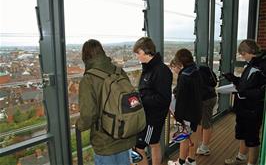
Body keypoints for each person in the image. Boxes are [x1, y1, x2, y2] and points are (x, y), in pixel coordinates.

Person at [76, 39, 136, 165]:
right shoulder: (119, 71)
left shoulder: (88, 79)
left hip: (105, 141)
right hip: (125, 134)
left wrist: (79, 125)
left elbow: (88, 114)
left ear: (85, 57)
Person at [223, 39, 266, 165]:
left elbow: (261, 92)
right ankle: (240, 158)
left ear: (249, 52)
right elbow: (245, 85)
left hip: (253, 108)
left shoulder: (261, 67)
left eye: (242, 54)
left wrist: (243, 93)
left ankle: (251, 163)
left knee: (252, 138)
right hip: (244, 107)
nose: (242, 57)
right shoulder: (250, 64)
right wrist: (234, 79)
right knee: (242, 133)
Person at [133, 37, 173, 165]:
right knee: (154, 143)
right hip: (148, 114)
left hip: (153, 117)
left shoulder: (161, 71)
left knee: (139, 148)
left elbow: (163, 99)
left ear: (146, 51)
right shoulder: (149, 68)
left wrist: (141, 99)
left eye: (138, 53)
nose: (136, 56)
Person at [168, 48, 202, 165]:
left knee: (184, 136)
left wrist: (178, 116)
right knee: (194, 135)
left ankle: (181, 162)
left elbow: (181, 99)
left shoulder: (185, 76)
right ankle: (191, 160)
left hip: (187, 112)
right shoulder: (196, 70)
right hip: (196, 110)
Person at [196, 65, 218, 156]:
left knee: (205, 123)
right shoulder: (201, 69)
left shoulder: (193, 73)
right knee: (205, 122)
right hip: (211, 96)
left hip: (206, 100)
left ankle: (204, 147)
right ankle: (203, 144)